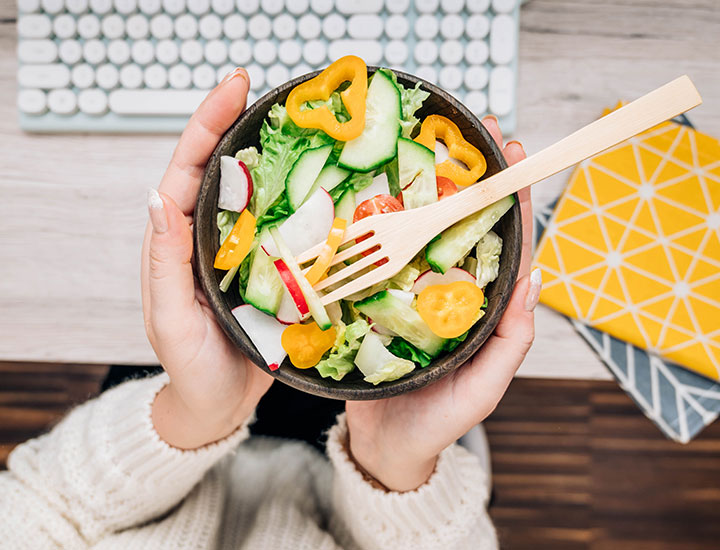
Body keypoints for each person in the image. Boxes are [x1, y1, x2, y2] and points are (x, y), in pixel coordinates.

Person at [0, 68, 540, 549]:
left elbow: (37, 506)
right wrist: (393, 466)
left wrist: (195, 414)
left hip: (186, 421)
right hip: (372, 463)